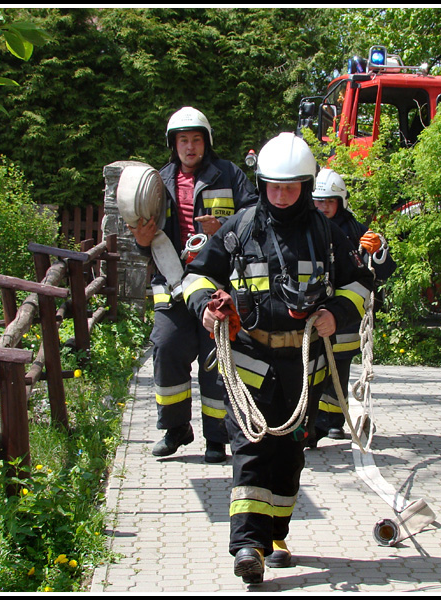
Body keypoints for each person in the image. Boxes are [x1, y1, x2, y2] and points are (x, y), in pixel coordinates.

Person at [182, 132, 375, 584]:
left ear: (306, 187)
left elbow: (362, 284)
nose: (282, 196)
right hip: (249, 360)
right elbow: (195, 276)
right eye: (274, 186)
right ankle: (247, 545)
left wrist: (336, 312)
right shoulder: (242, 227)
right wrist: (208, 307)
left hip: (304, 367)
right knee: (250, 449)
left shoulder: (328, 234)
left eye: (291, 187)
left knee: (289, 456)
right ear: (262, 183)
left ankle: (273, 535)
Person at [129, 106, 258, 461]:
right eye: (183, 140)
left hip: (216, 282)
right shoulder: (157, 182)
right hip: (171, 283)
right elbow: (146, 234)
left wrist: (225, 229)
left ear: (207, 142)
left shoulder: (230, 174)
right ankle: (176, 429)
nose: (190, 147)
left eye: (196, 140)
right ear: (173, 144)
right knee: (168, 349)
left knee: (216, 358)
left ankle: (216, 438)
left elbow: (254, 218)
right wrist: (141, 239)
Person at [309, 168, 396, 446]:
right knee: (313, 368)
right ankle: (317, 422)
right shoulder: (306, 227)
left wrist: (378, 250)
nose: (322, 208)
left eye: (328, 202)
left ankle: (333, 422)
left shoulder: (357, 231)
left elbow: (383, 271)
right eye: (318, 202)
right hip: (313, 311)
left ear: (341, 201)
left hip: (344, 316)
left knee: (339, 367)